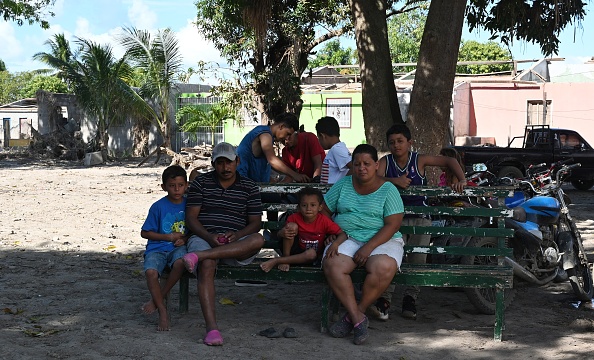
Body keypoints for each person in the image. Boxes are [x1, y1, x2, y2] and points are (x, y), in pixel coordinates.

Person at [370, 124, 467, 321]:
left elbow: (449, 159)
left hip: (421, 218)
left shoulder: (419, 160)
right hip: (392, 219)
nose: (396, 145)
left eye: (400, 141)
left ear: (409, 142)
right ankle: (385, 300)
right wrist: (394, 181)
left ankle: (410, 299)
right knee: (391, 258)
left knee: (417, 260)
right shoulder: (385, 162)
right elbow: (372, 178)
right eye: (392, 142)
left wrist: (461, 179)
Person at [182, 142, 265, 346]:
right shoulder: (201, 183)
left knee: (258, 239)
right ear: (213, 164)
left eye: (229, 162)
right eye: (220, 163)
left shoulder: (249, 187)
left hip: (237, 243)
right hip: (205, 238)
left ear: (237, 161)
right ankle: (212, 329)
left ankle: (200, 256)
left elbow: (256, 223)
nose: (225, 168)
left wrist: (237, 234)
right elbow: (191, 218)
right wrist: (210, 237)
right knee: (207, 266)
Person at [322, 144, 404, 345]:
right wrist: (331, 231)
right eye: (357, 164)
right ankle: (358, 319)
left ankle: (354, 314)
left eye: (367, 164)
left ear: (376, 165)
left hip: (382, 239)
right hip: (347, 237)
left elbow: (392, 224)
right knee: (333, 263)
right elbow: (323, 211)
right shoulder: (343, 185)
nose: (361, 168)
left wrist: (367, 248)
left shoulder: (388, 189)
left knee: (384, 267)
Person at [140, 165, 189, 331]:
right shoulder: (158, 207)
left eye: (180, 185)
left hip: (178, 249)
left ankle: (156, 299)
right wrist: (168, 237)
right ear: (163, 187)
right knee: (151, 272)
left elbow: (196, 229)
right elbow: (145, 233)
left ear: (186, 185)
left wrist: (185, 239)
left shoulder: (190, 205)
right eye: (172, 186)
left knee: (181, 263)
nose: (176, 189)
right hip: (157, 248)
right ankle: (162, 310)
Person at [259, 187, 346, 272]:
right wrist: (281, 233)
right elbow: (283, 235)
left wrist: (335, 244)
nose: (308, 209)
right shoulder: (294, 218)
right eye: (304, 205)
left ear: (320, 207)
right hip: (294, 251)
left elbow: (342, 234)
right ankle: (285, 258)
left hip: (311, 256)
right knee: (291, 227)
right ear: (299, 207)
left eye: (313, 205)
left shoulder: (324, 221)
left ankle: (279, 260)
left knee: (311, 254)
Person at [236, 112, 310, 183]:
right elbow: (272, 160)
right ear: (281, 126)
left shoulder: (265, 134)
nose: (287, 138)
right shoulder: (265, 134)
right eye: (287, 134)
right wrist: (295, 175)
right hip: (243, 185)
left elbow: (263, 165)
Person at [315, 116, 352, 184]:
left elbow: (354, 168)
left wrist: (341, 183)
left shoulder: (337, 149)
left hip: (332, 193)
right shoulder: (336, 149)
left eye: (318, 138)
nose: (319, 141)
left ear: (323, 136)